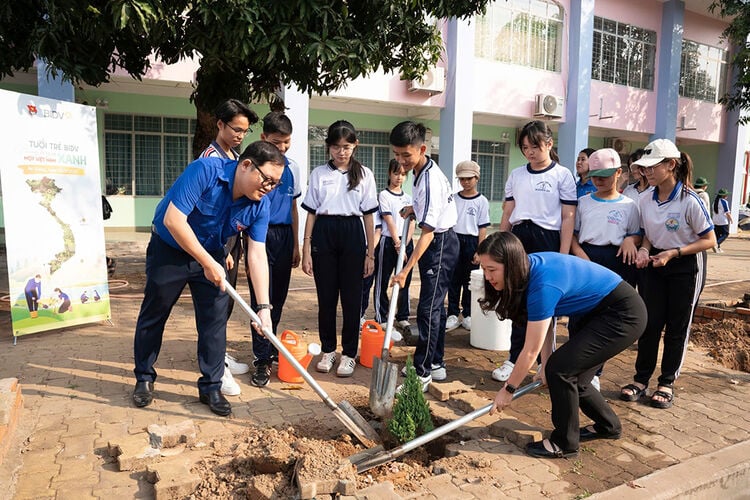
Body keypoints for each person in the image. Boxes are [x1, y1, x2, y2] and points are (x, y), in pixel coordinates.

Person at [131, 141, 284, 417]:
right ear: (246, 165)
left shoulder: (260, 205)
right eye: (267, 180)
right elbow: (174, 221)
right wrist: (207, 262)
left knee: (214, 321)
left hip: (212, 253)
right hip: (170, 249)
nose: (269, 188)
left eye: (275, 184)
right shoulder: (205, 171)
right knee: (155, 313)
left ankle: (211, 386)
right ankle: (144, 377)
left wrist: (264, 309)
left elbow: (257, 255)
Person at [479, 231, 646, 459]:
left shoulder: (542, 283)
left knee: (561, 369)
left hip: (623, 314)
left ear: (510, 263)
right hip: (599, 312)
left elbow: (529, 350)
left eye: (492, 270)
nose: (487, 276)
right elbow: (546, 324)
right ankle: (608, 426)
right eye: (484, 269)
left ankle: (564, 443)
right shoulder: (527, 270)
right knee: (571, 374)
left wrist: (508, 389)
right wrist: (545, 365)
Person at [620, 138, 716, 409]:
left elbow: (709, 240)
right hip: (655, 262)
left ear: (671, 165)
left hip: (685, 265)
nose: (646, 172)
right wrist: (643, 250)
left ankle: (667, 382)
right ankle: (641, 379)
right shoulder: (645, 199)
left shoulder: (690, 200)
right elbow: (648, 235)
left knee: (677, 326)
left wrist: (674, 253)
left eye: (652, 167)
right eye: (644, 168)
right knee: (649, 324)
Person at [494, 120, 577, 383]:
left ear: (549, 144)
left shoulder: (562, 175)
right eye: (525, 148)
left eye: (535, 147)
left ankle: (545, 362)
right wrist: (500, 243)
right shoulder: (517, 175)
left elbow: (568, 217)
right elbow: (508, 211)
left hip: (548, 239)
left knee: (544, 301)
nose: (530, 152)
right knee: (517, 299)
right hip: (520, 237)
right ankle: (514, 357)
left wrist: (563, 255)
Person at [302, 120, 378, 378]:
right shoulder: (319, 174)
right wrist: (306, 248)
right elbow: (311, 213)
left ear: (355, 145)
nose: (341, 152)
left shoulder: (365, 174)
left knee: (352, 299)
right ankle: (327, 350)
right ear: (328, 147)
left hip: (353, 234)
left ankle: (348, 354)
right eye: (336, 147)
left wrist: (370, 253)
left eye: (346, 146)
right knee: (326, 298)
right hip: (324, 232)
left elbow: (369, 217)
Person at [390, 121, 458, 391]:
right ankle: (437, 363)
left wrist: (405, 271)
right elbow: (431, 209)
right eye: (396, 154)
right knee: (435, 307)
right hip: (440, 238)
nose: (401, 161)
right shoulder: (421, 170)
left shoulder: (429, 179)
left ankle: (423, 372)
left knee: (428, 309)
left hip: (440, 243)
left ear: (422, 149)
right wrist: (414, 208)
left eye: (406, 155)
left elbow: (428, 234)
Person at [199, 98, 260, 394]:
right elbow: (208, 212)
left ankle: (219, 354)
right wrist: (219, 250)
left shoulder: (235, 157)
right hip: (215, 243)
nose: (239, 135)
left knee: (226, 304)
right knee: (215, 305)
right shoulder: (209, 159)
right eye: (235, 128)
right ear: (220, 124)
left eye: (244, 131)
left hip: (230, 241)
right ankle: (214, 369)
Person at [569, 148, 641, 391]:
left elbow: (635, 234)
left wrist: (632, 240)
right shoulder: (583, 203)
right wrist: (581, 256)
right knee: (579, 315)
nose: (599, 180)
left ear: (619, 173)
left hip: (616, 260)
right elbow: (573, 236)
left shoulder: (630, 205)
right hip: (587, 258)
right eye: (595, 175)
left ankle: (594, 372)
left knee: (605, 318)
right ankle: (573, 365)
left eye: (605, 175)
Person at [246, 112, 303, 387]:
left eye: (287, 142)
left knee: (277, 298)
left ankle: (270, 346)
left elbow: (293, 206)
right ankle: (261, 359)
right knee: (261, 298)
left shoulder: (292, 168)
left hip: (283, 236)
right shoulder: (251, 168)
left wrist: (295, 242)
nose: (282, 148)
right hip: (259, 236)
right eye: (277, 142)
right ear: (264, 138)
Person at [446, 160, 490, 332]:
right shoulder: (454, 199)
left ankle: (469, 314)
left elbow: (482, 228)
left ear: (476, 178)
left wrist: (480, 251)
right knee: (453, 279)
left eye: (469, 179)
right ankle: (452, 313)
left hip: (472, 242)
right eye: (462, 179)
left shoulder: (482, 201)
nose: (465, 182)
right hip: (455, 239)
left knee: (469, 280)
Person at [373, 159, 415, 330]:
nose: (399, 177)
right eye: (396, 173)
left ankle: (403, 315)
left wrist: (405, 243)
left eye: (403, 174)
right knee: (382, 280)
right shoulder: (384, 195)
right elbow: (388, 220)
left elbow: (412, 222)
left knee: (404, 280)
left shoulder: (409, 198)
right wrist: (397, 243)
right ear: (389, 173)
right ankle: (381, 315)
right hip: (388, 242)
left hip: (406, 243)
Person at [712, 188, 733, 253]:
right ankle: (716, 244)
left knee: (717, 234)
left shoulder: (715, 202)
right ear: (724, 196)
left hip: (715, 221)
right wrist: (731, 219)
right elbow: (727, 212)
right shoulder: (724, 202)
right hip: (723, 221)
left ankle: (718, 248)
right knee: (726, 233)